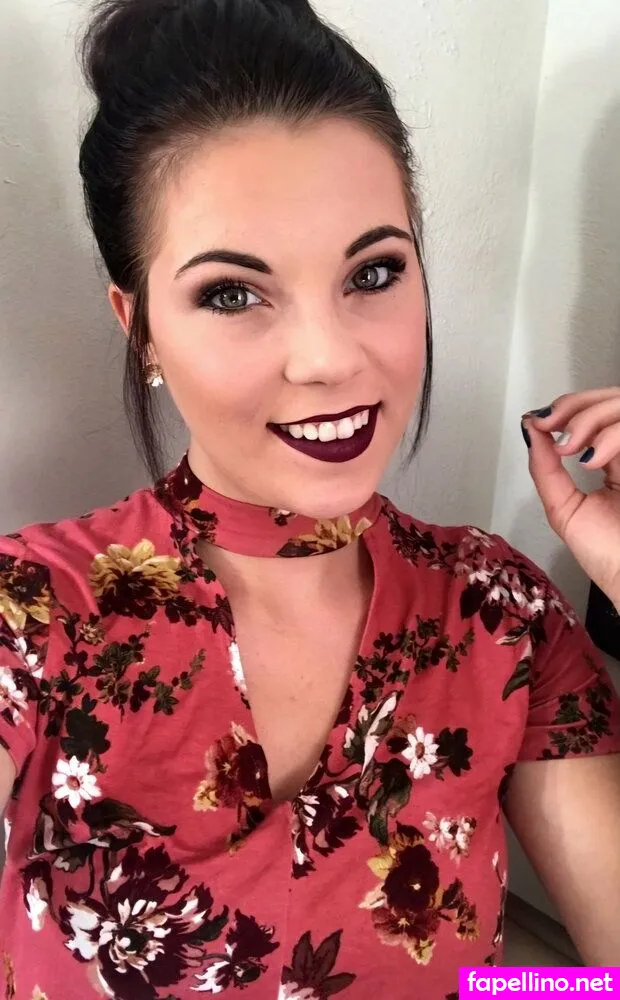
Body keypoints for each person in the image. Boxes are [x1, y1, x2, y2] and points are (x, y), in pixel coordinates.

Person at [1, 0, 619, 996]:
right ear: (138, 325)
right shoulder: (35, 613)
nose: (330, 358)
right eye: (232, 293)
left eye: (373, 273)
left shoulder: (501, 615)